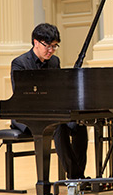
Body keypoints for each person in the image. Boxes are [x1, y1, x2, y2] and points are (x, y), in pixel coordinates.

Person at [10, 23, 88, 179]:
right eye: (48, 46)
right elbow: (21, 96)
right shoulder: (19, 63)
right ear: (36, 42)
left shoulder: (54, 62)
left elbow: (58, 90)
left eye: (54, 46)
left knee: (79, 125)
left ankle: (79, 173)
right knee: (58, 126)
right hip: (26, 114)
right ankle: (75, 177)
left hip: (51, 112)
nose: (51, 50)